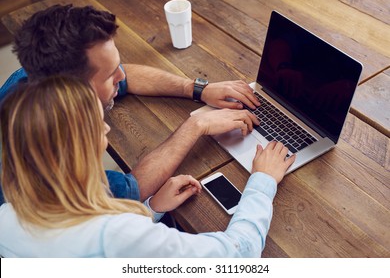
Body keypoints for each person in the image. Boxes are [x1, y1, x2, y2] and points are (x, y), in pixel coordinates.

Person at [0, 76, 295, 257]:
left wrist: (152, 209)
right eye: (97, 121)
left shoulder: (7, 216)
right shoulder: (116, 234)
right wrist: (263, 181)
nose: (106, 128)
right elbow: (239, 255)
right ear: (78, 146)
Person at [0, 4, 260, 204]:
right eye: (110, 74)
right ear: (74, 91)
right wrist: (197, 124)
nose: (122, 76)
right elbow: (130, 190)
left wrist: (197, 88)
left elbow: (126, 75)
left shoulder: (33, 77)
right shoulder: (53, 174)